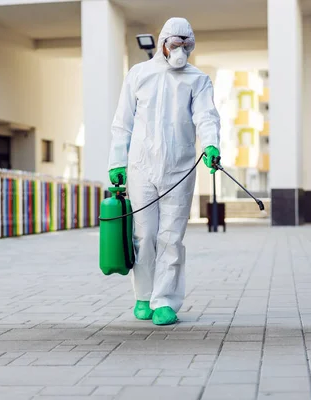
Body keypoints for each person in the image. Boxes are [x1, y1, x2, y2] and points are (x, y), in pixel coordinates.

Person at [108, 17, 221, 326]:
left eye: (186, 45)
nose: (180, 50)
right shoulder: (139, 75)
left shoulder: (198, 80)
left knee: (171, 237)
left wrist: (210, 144)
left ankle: (165, 301)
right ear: (162, 44)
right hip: (141, 167)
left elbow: (207, 116)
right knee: (143, 236)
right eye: (175, 44)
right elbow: (122, 123)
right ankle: (143, 297)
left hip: (180, 169)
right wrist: (117, 162)